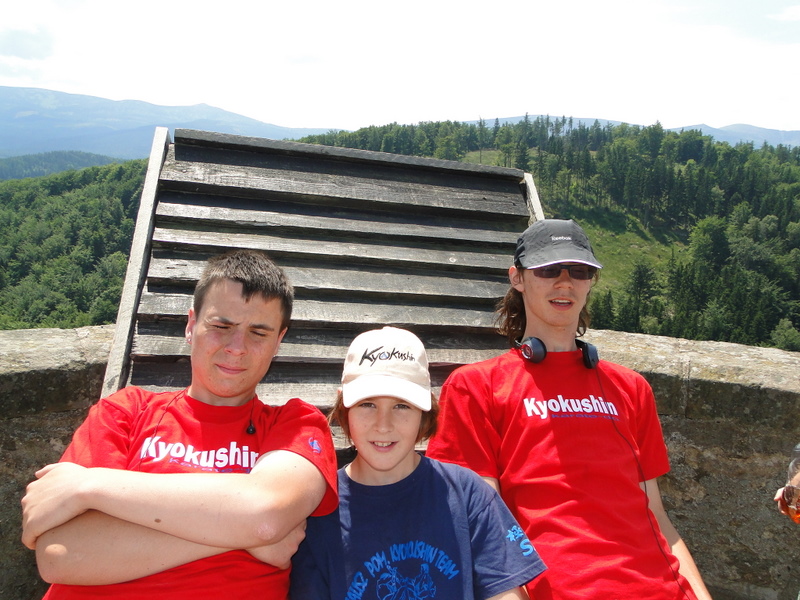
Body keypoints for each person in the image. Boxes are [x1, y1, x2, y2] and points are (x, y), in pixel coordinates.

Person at [20, 249, 339, 600]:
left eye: (258, 333)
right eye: (222, 326)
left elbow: (265, 515)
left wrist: (90, 486)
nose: (237, 347)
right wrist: (244, 531)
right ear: (191, 325)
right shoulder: (126, 411)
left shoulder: (296, 425)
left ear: (278, 341)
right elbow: (60, 555)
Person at [425, 219, 713, 600]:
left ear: (591, 281)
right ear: (517, 277)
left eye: (579, 271)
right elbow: (480, 527)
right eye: (548, 270)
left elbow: (658, 518)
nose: (565, 283)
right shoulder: (475, 387)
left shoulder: (631, 389)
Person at [289, 326, 547, 599]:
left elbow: (506, 592)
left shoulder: (468, 495)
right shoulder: (320, 509)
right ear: (344, 408)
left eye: (402, 405)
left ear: (425, 412)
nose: (383, 425)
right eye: (367, 404)